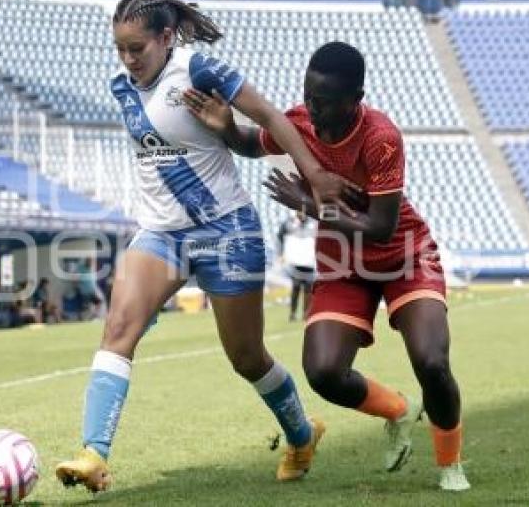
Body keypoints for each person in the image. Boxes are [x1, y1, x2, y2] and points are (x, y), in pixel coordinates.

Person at [55, 0, 359, 494]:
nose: (129, 60)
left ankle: (303, 434)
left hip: (226, 231)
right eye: (120, 49)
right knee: (118, 328)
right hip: (160, 233)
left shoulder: (199, 69)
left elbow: (273, 119)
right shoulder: (122, 87)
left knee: (247, 358)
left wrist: (316, 175)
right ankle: (93, 454)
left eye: (138, 49)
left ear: (166, 38)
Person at [185, 41, 469, 492]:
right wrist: (226, 128)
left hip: (404, 256)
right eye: (309, 97)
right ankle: (397, 410)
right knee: (323, 373)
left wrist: (309, 205)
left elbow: (380, 227)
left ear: (355, 99)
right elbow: (251, 143)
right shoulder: (299, 123)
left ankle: (450, 463)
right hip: (343, 264)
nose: (312, 110)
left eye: (325, 102)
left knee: (432, 362)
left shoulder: (381, 137)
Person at [276, 212, 318, 321]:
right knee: (296, 288)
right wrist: (280, 254)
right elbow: (280, 236)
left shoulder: (314, 223)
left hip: (310, 262)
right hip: (295, 262)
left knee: (308, 290)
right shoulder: (289, 223)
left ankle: (306, 313)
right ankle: (293, 313)